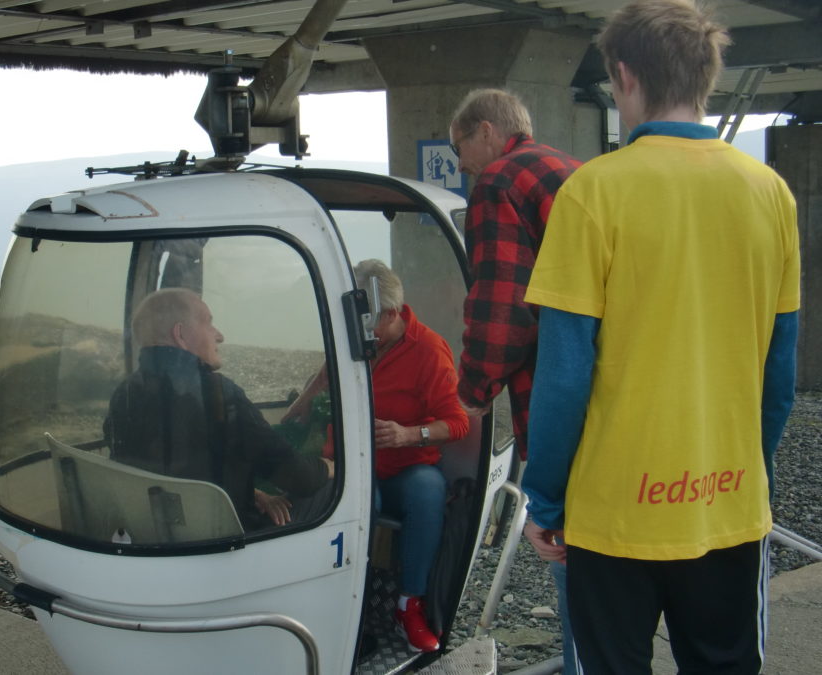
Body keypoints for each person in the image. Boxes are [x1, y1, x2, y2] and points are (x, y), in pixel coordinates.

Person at [521, 1, 800, 673]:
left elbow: (563, 375)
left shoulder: (593, 194)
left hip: (613, 515)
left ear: (624, 77)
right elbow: (779, 376)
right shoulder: (771, 194)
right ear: (707, 75)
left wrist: (547, 499)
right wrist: (740, 470)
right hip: (727, 506)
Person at [449, 88, 582, 672]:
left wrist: (473, 391)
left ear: (484, 131)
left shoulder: (499, 183)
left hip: (563, 407)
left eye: (461, 151)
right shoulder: (575, 174)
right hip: (625, 399)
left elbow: (502, 307)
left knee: (579, 575)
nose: (462, 166)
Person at [285, 259, 469, 652]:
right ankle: (352, 604)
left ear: (388, 313)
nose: (356, 326)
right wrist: (306, 399)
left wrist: (408, 434)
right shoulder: (360, 336)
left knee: (428, 491)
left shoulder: (430, 351)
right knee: (357, 501)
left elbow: (457, 423)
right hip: (354, 465)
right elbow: (330, 366)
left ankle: (409, 604)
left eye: (364, 318)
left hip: (404, 468)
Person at [103, 287, 334, 531]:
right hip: (223, 536)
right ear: (181, 334)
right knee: (334, 489)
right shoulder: (219, 394)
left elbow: (176, 471)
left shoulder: (126, 392)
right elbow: (298, 477)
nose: (220, 336)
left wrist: (253, 493)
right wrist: (327, 467)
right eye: (209, 323)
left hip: (159, 530)